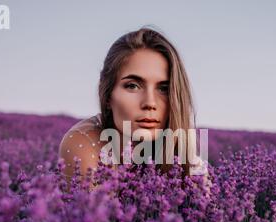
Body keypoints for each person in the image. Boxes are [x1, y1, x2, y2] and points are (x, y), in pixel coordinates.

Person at [58, 27, 209, 191]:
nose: (150, 103)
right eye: (133, 86)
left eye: (164, 88)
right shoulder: (83, 144)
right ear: (108, 94)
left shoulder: (181, 152)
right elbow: (100, 216)